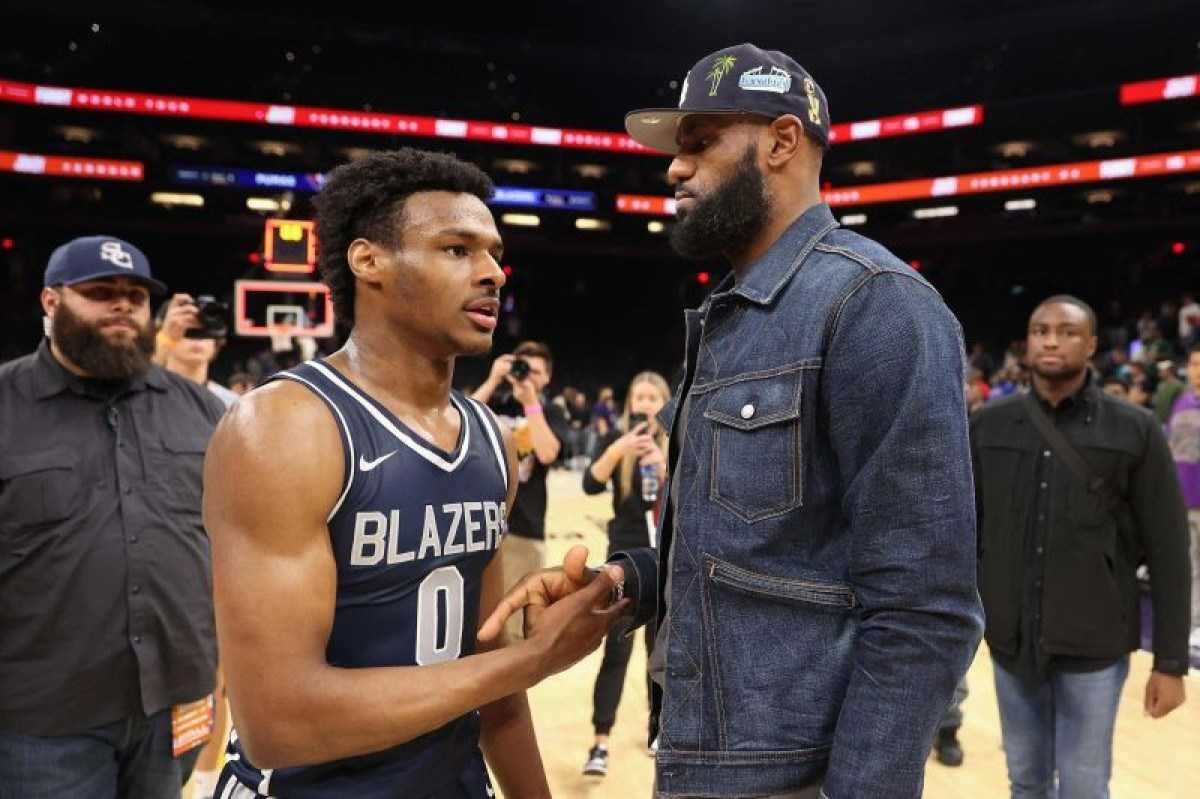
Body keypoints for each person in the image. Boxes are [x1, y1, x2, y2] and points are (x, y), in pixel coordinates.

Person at [484, 43, 983, 798]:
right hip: (701, 756)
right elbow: (755, 549)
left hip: (794, 777)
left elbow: (925, 607)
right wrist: (626, 581)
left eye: (699, 142)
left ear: (783, 141)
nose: (675, 168)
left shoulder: (876, 304)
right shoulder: (730, 316)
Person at [203, 149, 625, 799]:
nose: (492, 273)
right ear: (369, 260)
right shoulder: (286, 427)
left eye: (493, 253)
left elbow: (489, 675)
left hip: (451, 780)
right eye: (457, 249)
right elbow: (276, 721)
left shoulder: (488, 437)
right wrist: (532, 658)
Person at [0, 236, 224, 797]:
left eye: (136, 295)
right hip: (43, 716)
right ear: (51, 303)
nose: (123, 305)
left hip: (174, 698)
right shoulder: (6, 403)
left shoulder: (198, 408)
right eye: (101, 293)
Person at [972, 295, 1191, 798]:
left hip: (1095, 646)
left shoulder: (1134, 430)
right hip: (1012, 645)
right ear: (1026, 342)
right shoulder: (989, 426)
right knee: (1025, 781)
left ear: (1091, 345)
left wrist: (1171, 663)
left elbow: (1169, 553)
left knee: (1084, 787)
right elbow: (969, 532)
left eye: (1068, 331)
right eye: (1040, 329)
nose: (1051, 339)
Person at [580, 372, 671, 778]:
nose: (647, 403)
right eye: (640, 396)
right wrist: (620, 448)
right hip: (624, 566)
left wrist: (667, 467)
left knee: (661, 656)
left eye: (654, 397)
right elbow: (589, 483)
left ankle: (660, 731)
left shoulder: (676, 445)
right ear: (630, 401)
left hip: (666, 564)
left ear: (666, 402)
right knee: (615, 653)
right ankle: (600, 742)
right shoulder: (619, 446)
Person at [472, 341, 570, 640]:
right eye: (523, 368)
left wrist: (530, 401)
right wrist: (492, 380)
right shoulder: (496, 403)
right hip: (481, 525)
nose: (529, 377)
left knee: (512, 631)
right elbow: (458, 424)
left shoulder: (550, 411)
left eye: (537, 372)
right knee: (474, 624)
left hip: (524, 531)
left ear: (548, 378)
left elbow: (548, 453)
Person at [1165, 343, 1200, 656]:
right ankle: (1194, 624)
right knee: (1189, 565)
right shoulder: (1181, 401)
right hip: (1183, 497)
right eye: (1193, 364)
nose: (1197, 371)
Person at [155, 294, 239, 408]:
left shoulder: (232, 404)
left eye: (205, 330)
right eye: (188, 331)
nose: (198, 340)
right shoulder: (146, 398)